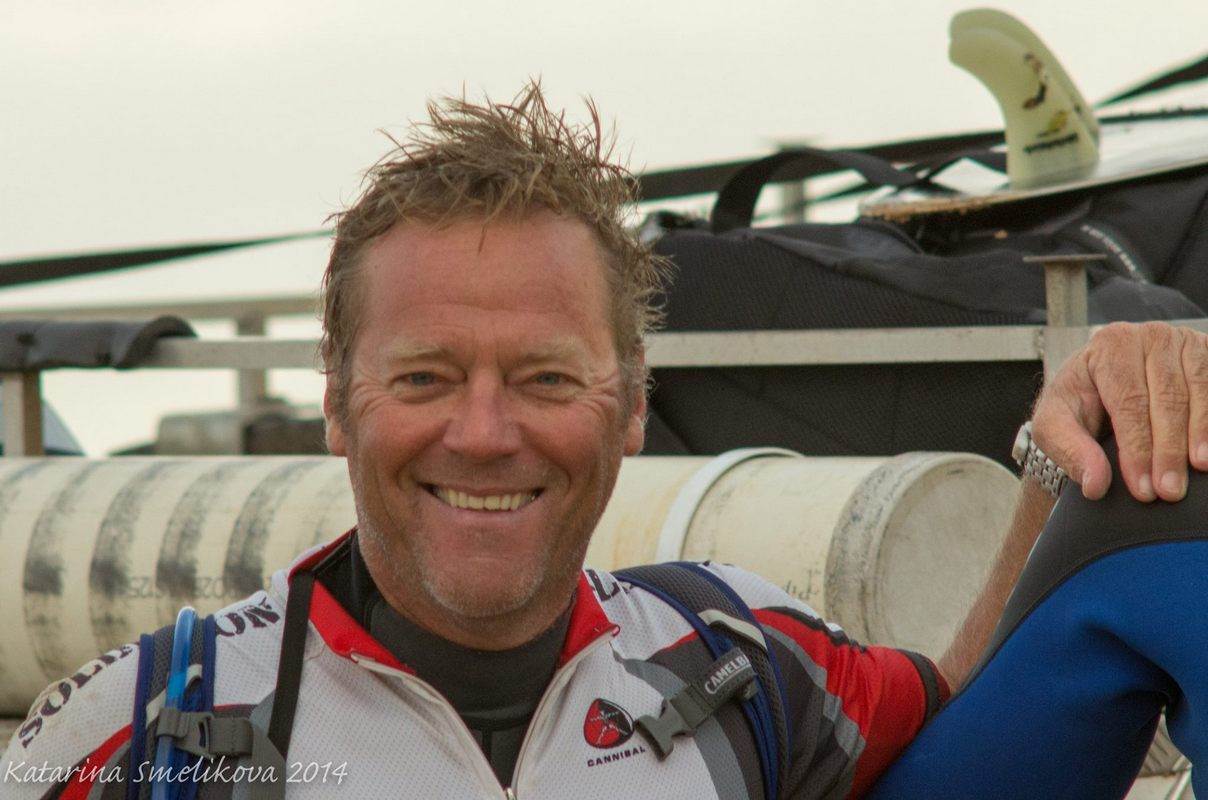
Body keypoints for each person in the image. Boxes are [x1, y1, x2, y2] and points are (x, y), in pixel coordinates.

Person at [3, 82, 1208, 799]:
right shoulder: (154, 728)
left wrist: (1077, 435)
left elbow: (972, 705)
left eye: (544, 377)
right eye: (424, 376)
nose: (485, 432)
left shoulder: (734, 665)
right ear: (337, 399)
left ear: (630, 403)